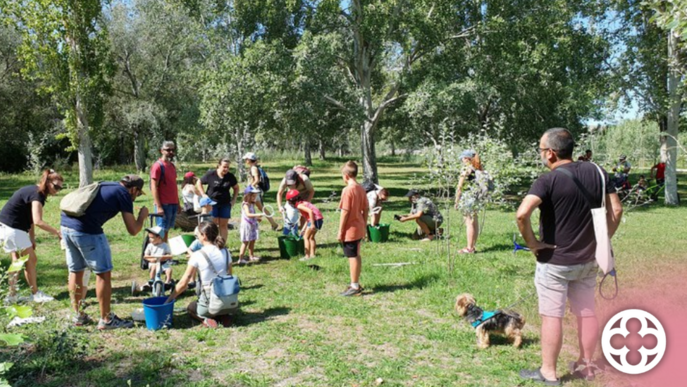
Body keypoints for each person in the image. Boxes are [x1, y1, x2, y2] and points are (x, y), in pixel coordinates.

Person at [516, 128, 623, 384]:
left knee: (552, 315)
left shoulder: (547, 180)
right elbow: (616, 210)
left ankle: (549, 372)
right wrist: (602, 240)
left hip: (555, 262)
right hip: (589, 260)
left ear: (550, 153)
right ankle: (586, 366)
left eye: (541, 150)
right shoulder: (597, 172)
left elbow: (522, 214)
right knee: (587, 311)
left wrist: (533, 244)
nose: (541, 155)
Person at [61, 175, 149, 330]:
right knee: (103, 273)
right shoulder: (123, 193)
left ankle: (78, 315)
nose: (136, 196)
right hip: (87, 231)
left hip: (66, 227)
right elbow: (133, 230)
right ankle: (106, 319)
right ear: (134, 189)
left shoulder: (108, 184)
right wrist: (142, 217)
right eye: (138, 193)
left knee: (76, 271)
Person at [0, 169, 63, 303]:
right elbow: (38, 221)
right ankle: (35, 294)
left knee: (16, 261)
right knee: (31, 260)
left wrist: (31, 238)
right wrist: (57, 232)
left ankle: (11, 296)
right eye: (56, 187)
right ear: (47, 182)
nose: (57, 191)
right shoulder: (37, 195)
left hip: (5, 227)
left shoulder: (33, 190)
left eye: (60, 189)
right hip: (12, 229)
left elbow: (29, 219)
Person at [166, 221, 233, 328]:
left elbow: (184, 282)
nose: (197, 238)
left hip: (209, 301)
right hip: (229, 300)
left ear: (204, 236)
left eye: (198, 236)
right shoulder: (226, 251)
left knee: (191, 307)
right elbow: (229, 275)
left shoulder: (198, 255)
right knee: (219, 306)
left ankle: (205, 319)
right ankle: (223, 315)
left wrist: (169, 299)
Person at [337, 161, 368, 297]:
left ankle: (354, 286)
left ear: (346, 175)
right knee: (356, 254)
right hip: (359, 226)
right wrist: (364, 224)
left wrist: (340, 231)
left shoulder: (347, 190)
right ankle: (355, 283)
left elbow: (345, 212)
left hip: (350, 229)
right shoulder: (361, 188)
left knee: (352, 256)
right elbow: (366, 208)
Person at [197, 158, 239, 241]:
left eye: (228, 167)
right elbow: (199, 182)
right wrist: (203, 194)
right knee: (213, 225)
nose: (226, 169)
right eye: (224, 167)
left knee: (223, 225)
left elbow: (236, 188)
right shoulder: (211, 174)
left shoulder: (230, 176)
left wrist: (234, 199)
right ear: (219, 166)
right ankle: (212, 244)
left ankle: (222, 245)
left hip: (225, 203)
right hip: (212, 203)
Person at [454, 149, 483, 253]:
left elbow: (459, 186)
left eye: (462, 158)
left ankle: (469, 248)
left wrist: (456, 201)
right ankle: (472, 246)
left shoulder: (466, 169)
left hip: (467, 197)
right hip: (476, 197)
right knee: (474, 221)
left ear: (467, 158)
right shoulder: (477, 169)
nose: (462, 160)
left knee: (468, 222)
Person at [150, 141, 180, 243]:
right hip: (163, 204)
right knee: (160, 230)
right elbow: (153, 186)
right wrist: (158, 206)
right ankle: (157, 254)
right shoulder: (157, 166)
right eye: (168, 150)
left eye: (173, 150)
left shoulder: (172, 166)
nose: (171, 152)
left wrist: (178, 203)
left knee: (166, 230)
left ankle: (164, 255)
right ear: (161, 151)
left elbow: (173, 186)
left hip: (173, 203)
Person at [243, 152, 279, 231]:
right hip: (255, 190)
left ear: (250, 160)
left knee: (254, 207)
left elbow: (257, 180)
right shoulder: (254, 167)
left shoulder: (253, 168)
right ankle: (273, 224)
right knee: (260, 208)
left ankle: (271, 224)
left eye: (246, 159)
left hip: (254, 191)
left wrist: (249, 187)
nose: (245, 160)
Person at [287, 190, 323, 261]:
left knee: (306, 237)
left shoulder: (300, 205)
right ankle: (313, 255)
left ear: (292, 201)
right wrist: (303, 229)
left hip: (315, 220)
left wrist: (312, 224)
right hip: (319, 220)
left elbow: (310, 212)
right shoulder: (303, 202)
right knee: (311, 237)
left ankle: (307, 256)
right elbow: (308, 218)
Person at [238, 186, 262, 265]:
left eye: (255, 196)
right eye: (253, 196)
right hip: (247, 225)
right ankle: (240, 259)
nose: (254, 197)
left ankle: (251, 256)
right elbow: (248, 214)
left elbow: (252, 213)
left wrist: (257, 218)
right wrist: (258, 214)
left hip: (252, 224)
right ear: (247, 196)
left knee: (252, 240)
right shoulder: (245, 204)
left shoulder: (252, 204)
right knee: (245, 241)